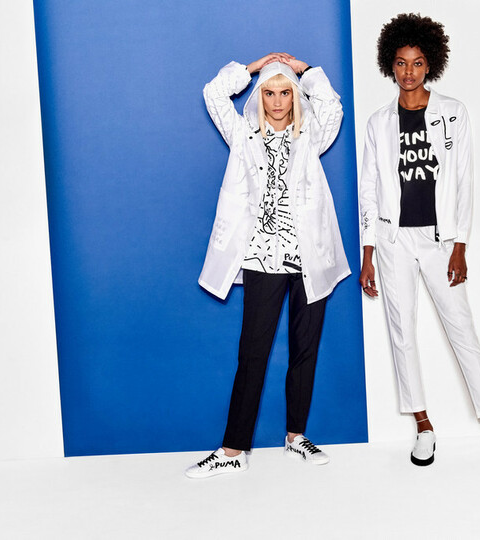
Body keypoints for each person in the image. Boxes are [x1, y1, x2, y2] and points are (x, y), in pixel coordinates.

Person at [358, 14, 480, 466]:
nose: (409, 72)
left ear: (430, 64)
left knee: (462, 331)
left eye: (417, 63)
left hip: (440, 241)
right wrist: (368, 252)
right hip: (393, 240)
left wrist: (460, 245)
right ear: (390, 65)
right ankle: (423, 427)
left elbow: (463, 181)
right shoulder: (378, 122)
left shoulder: (453, 113)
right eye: (401, 63)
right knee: (402, 334)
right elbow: (368, 189)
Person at [186, 53, 350, 478]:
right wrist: (254, 68)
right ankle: (233, 449)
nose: (277, 102)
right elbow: (214, 93)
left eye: (284, 93)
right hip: (263, 258)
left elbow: (332, 106)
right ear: (259, 97)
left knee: (304, 349)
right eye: (269, 93)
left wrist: (305, 70)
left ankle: (296, 437)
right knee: (253, 353)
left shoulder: (311, 134)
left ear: (295, 97)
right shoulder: (243, 135)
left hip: (309, 257)